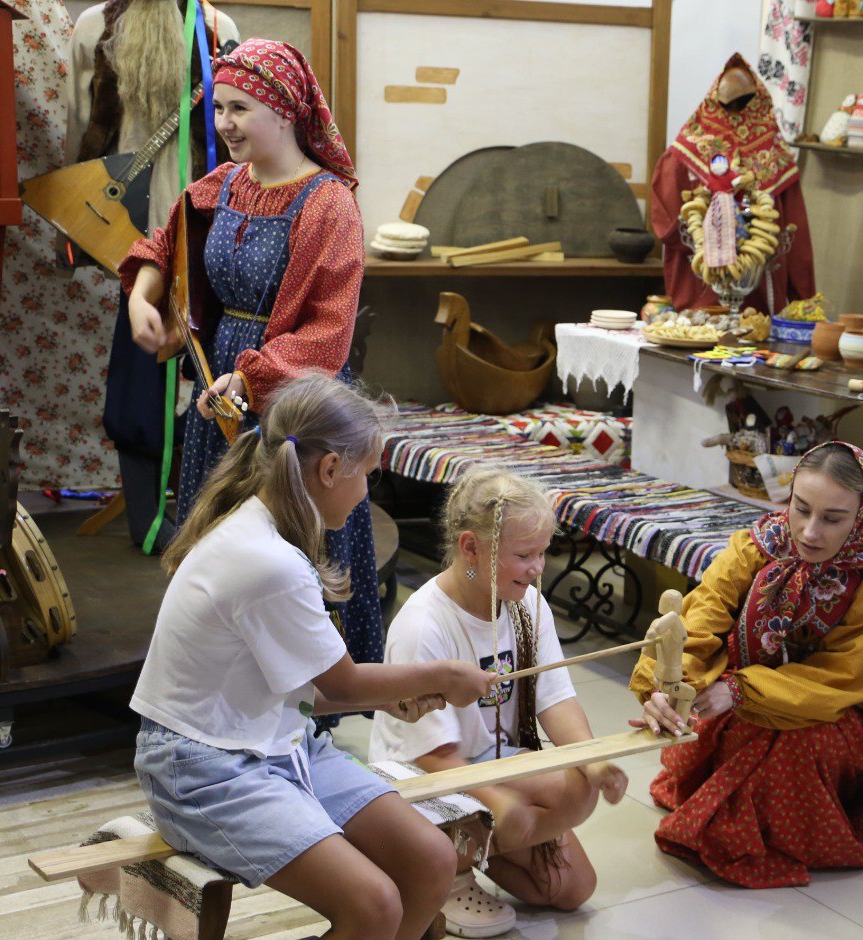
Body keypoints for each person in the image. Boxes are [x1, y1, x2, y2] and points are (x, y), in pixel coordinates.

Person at [131, 374, 495, 940]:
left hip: (277, 740)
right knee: (373, 905)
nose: (364, 494)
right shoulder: (267, 557)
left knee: (430, 859)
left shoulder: (266, 528)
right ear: (330, 469)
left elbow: (309, 686)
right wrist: (448, 674)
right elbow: (345, 686)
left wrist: (395, 693)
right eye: (366, 477)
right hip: (201, 767)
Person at [119, 38, 385, 665]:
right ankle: (218, 677)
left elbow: (327, 333)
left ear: (285, 110)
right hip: (223, 397)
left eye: (239, 109)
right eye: (219, 109)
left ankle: (307, 698)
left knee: (289, 547)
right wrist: (142, 299)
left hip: (297, 404)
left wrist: (250, 376)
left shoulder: (330, 204)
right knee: (220, 542)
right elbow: (165, 244)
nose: (223, 125)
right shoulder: (225, 184)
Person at [630, 441, 863, 888]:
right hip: (747, 685)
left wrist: (741, 690)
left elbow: (848, 672)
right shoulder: (756, 545)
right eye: (801, 509)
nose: (810, 532)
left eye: (833, 519)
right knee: (705, 721)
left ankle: (765, 835)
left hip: (841, 705)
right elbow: (703, 613)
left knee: (794, 751)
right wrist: (668, 684)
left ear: (862, 514)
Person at [372, 465, 628, 938]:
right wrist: (498, 803)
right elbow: (430, 754)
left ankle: (478, 849)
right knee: (517, 821)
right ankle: (439, 870)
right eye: (524, 554)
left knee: (571, 887)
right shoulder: (424, 624)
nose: (538, 569)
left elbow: (557, 701)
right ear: (470, 547)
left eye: (543, 553)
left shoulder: (527, 603)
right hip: (419, 780)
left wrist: (595, 763)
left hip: (490, 763)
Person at [68, 0, 239, 549]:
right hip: (133, 234)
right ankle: (147, 520)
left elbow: (231, 131)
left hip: (203, 227)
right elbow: (81, 133)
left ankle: (200, 512)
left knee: (211, 369)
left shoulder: (216, 29)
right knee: (141, 372)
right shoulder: (94, 28)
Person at [650, 53, 815, 314]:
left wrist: (804, 304)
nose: (738, 111)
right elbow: (666, 220)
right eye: (733, 104)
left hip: (758, 297)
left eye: (744, 103)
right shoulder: (685, 152)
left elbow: (795, 236)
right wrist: (711, 237)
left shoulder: (775, 155)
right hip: (700, 288)